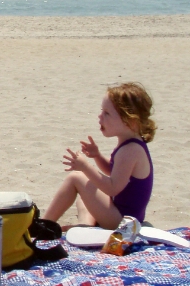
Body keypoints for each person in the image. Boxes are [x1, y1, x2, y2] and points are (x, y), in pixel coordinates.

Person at [43, 82, 156, 229]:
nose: (100, 116)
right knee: (85, 195)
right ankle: (85, 224)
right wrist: (97, 156)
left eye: (107, 113)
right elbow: (114, 170)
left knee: (76, 178)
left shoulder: (130, 151)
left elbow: (112, 188)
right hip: (122, 215)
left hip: (122, 221)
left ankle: (43, 225)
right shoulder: (130, 143)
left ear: (131, 121)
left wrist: (85, 167)